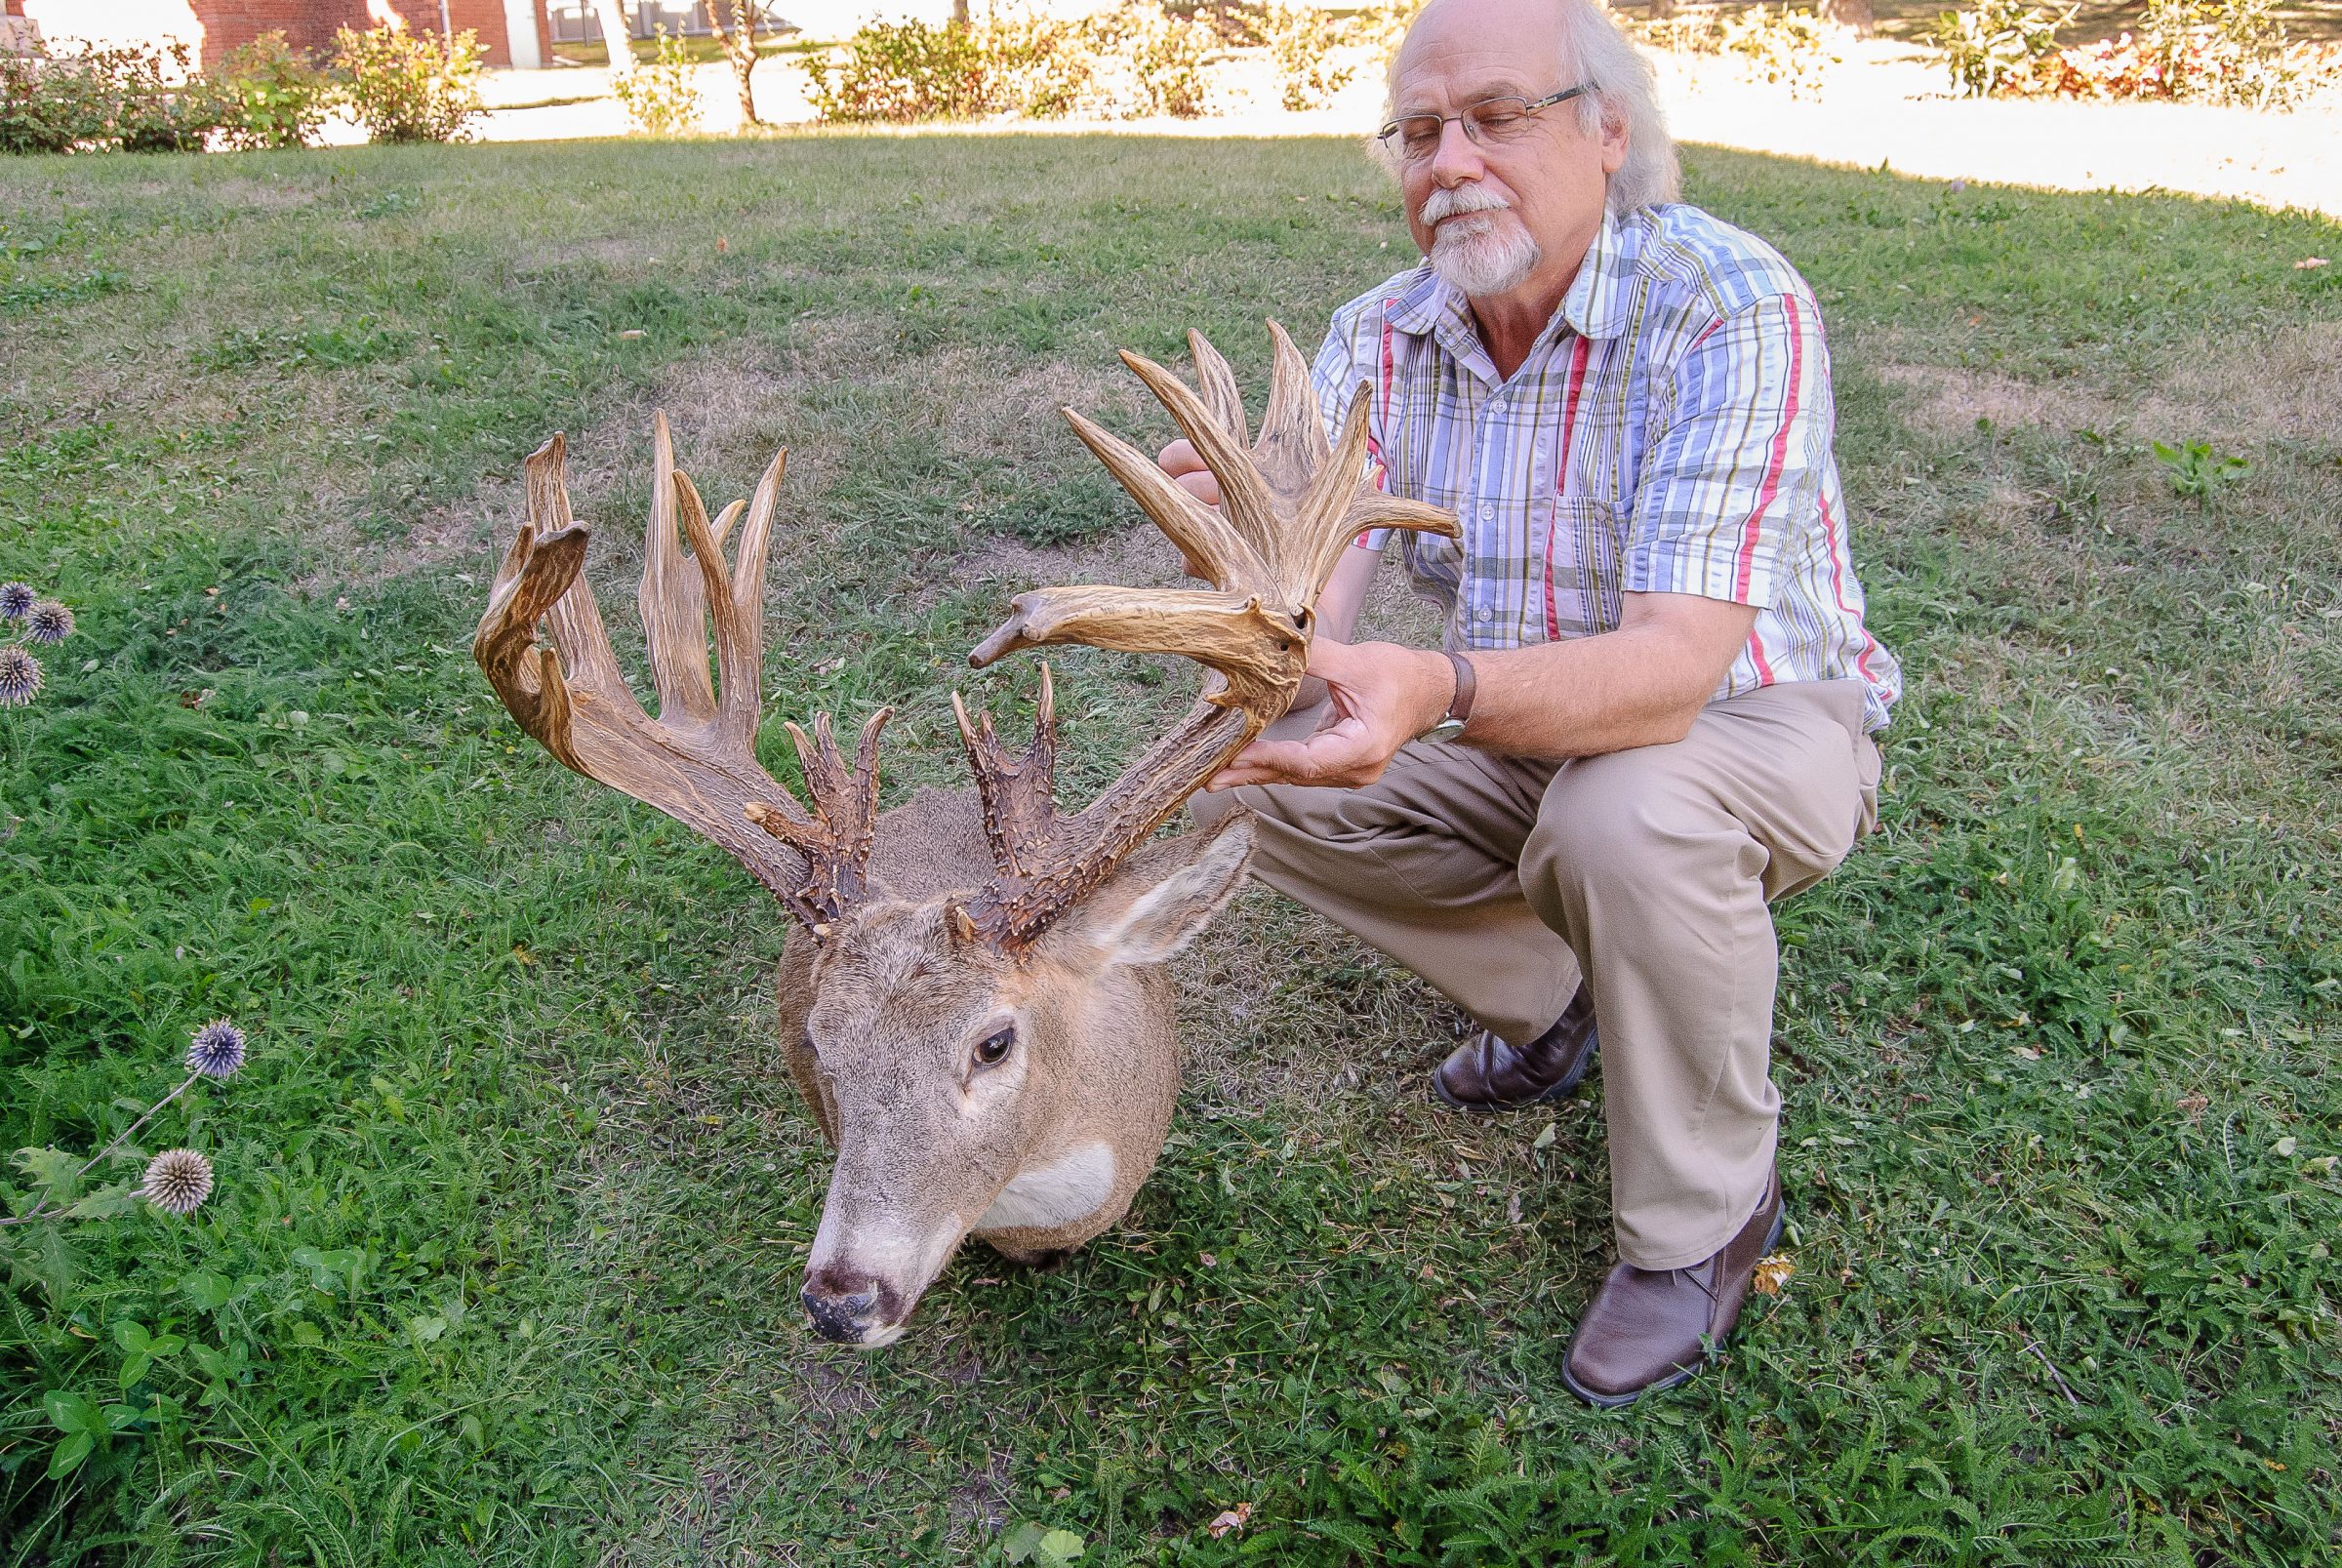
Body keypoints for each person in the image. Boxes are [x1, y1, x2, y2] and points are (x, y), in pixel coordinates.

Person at [1172, 0, 1902, 1406]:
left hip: (1754, 721)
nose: (1451, 161)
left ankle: (1707, 1222)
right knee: (1252, 773)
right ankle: (1556, 999)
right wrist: (1257, 571)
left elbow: (1677, 665)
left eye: (1498, 116)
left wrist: (1437, 686)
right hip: (1513, 721)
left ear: (1607, 131)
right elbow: (1320, 596)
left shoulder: (1729, 306)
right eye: (1421, 130)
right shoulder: (1382, 334)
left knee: (1620, 821)